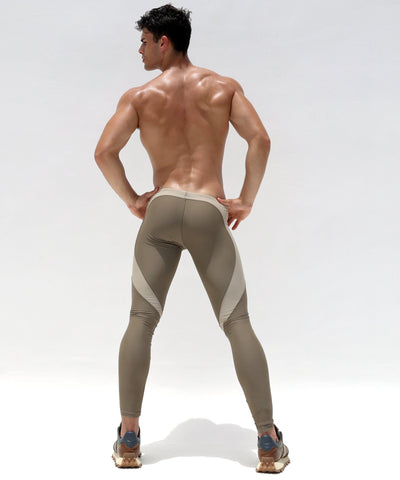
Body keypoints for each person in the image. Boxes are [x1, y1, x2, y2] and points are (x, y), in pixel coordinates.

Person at [94, 3, 290, 473]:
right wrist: (245, 199)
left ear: (164, 42)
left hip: (160, 210)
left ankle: (128, 438)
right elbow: (260, 140)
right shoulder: (223, 88)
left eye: (144, 41)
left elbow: (104, 152)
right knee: (236, 321)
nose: (140, 50)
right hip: (207, 208)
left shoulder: (140, 97)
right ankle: (267, 441)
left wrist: (133, 200)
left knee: (141, 320)